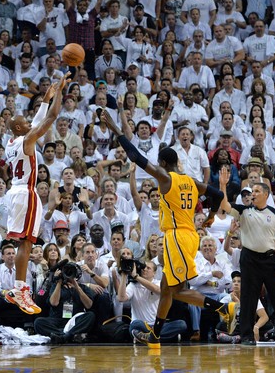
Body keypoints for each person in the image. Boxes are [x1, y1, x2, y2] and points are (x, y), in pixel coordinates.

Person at [100, 109, 234, 349]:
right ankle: (156, 336)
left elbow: (136, 156)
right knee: (166, 289)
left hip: (177, 237)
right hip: (188, 236)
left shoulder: (166, 178)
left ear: (163, 163)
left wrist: (116, 130)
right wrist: (211, 216)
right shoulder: (191, 181)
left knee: (178, 290)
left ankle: (223, 308)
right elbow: (216, 193)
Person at [3, 72, 69, 314]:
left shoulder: (11, 143)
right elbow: (51, 116)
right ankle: (20, 289)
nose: (32, 125)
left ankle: (18, 288)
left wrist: (46, 97)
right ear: (20, 128)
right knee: (27, 243)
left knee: (24, 241)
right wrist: (60, 92)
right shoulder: (27, 139)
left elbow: (39, 117)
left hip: (15, 191)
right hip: (27, 193)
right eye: (27, 124)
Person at [220, 173, 275, 344]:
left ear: (266, 194)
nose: (253, 194)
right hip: (249, 259)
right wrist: (223, 185)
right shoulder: (243, 211)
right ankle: (247, 336)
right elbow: (225, 205)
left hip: (270, 258)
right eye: (251, 191)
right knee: (248, 298)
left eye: (256, 191)